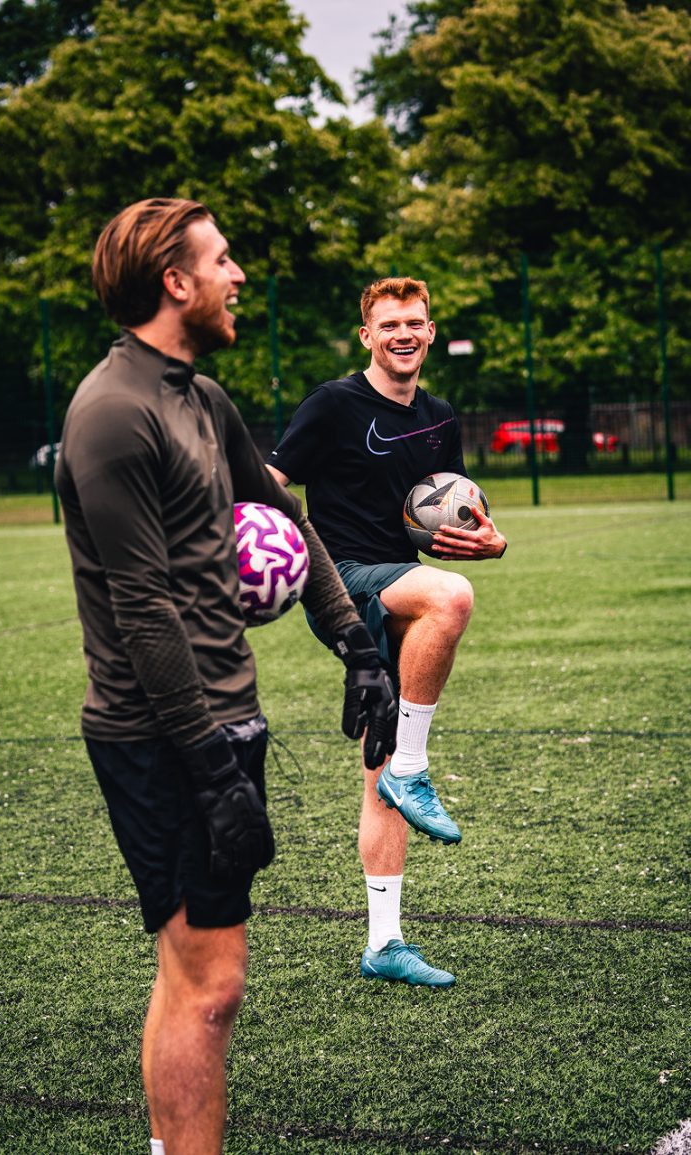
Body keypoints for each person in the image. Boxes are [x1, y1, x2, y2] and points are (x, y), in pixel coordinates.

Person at [54, 199, 396, 1155]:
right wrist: (206, 765)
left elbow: (285, 516)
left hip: (221, 719)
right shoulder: (112, 413)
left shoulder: (202, 399)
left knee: (201, 978)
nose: (237, 274)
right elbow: (142, 606)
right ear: (174, 280)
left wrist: (357, 647)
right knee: (209, 985)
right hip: (158, 733)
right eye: (222, 258)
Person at [267, 276, 507, 989]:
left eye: (416, 322)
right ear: (367, 335)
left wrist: (487, 542)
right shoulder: (334, 405)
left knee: (379, 767)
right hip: (340, 579)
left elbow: (441, 523)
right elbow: (273, 480)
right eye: (389, 323)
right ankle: (414, 766)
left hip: (401, 584)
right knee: (453, 599)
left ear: (431, 333)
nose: (404, 333)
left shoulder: (439, 416)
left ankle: (385, 941)